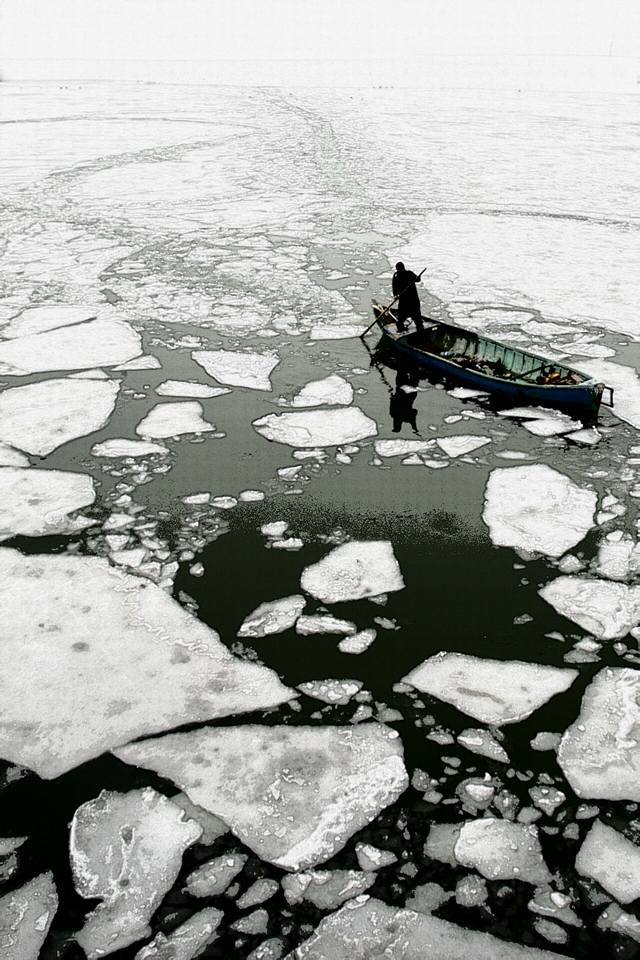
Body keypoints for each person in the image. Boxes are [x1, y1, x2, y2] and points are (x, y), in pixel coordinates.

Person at [392, 262, 423, 333]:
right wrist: (396, 295)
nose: (401, 270)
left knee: (417, 319)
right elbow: (394, 289)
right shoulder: (397, 277)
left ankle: (421, 332)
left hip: (413, 300)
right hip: (404, 301)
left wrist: (418, 277)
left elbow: (417, 280)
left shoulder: (409, 273)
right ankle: (401, 332)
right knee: (401, 319)